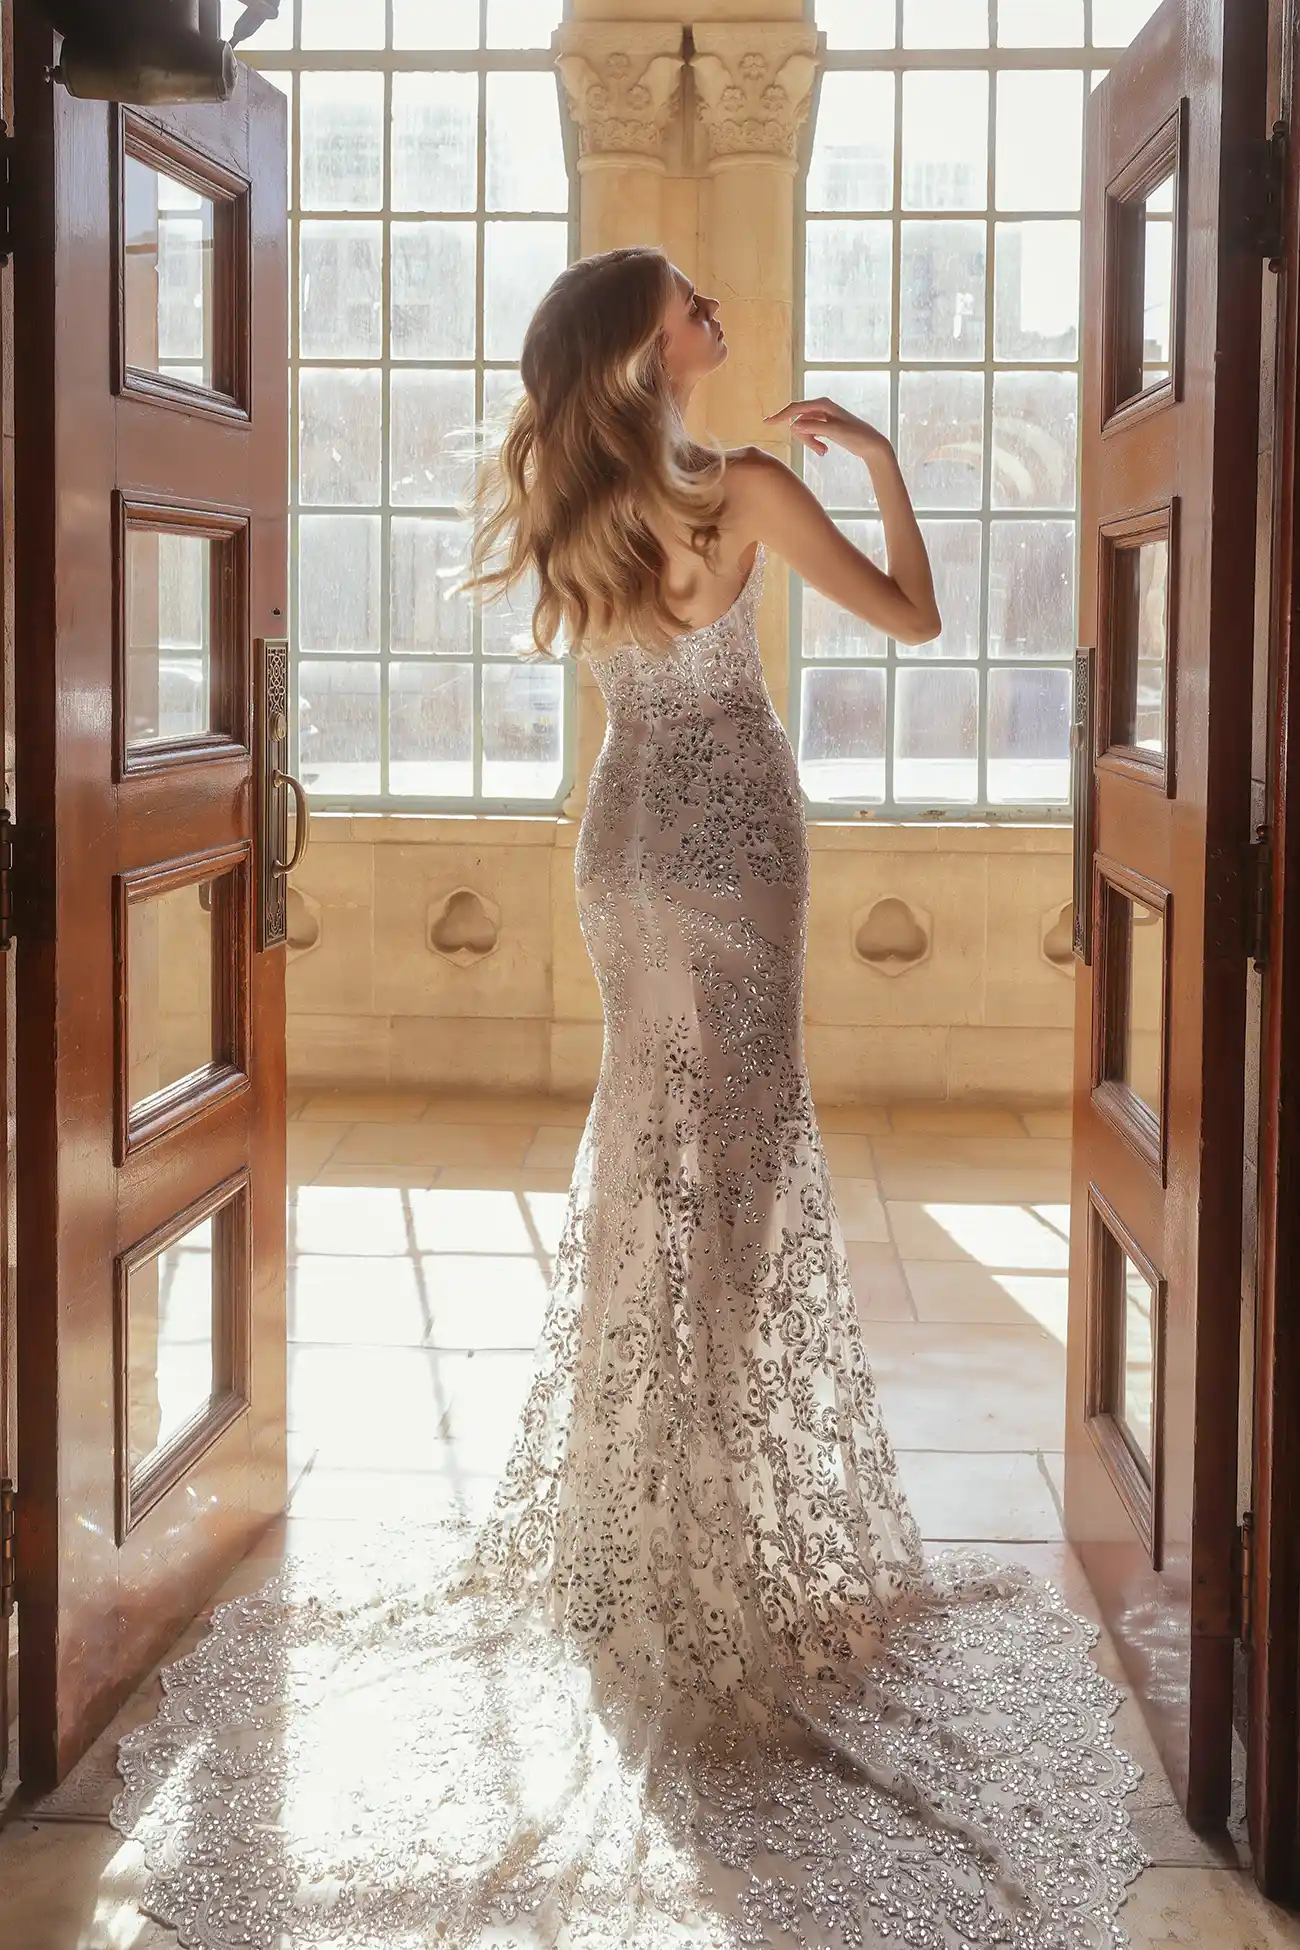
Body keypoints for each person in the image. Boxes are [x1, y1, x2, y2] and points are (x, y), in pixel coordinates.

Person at [113, 246, 1144, 1950]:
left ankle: (636, 1513)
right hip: (735, 848)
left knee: (647, 1153)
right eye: (696, 301)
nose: (718, 312)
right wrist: (875, 462)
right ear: (651, 343)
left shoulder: (581, 497)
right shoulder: (740, 488)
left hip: (618, 852)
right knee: (728, 1171)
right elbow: (916, 618)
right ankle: (713, 1529)